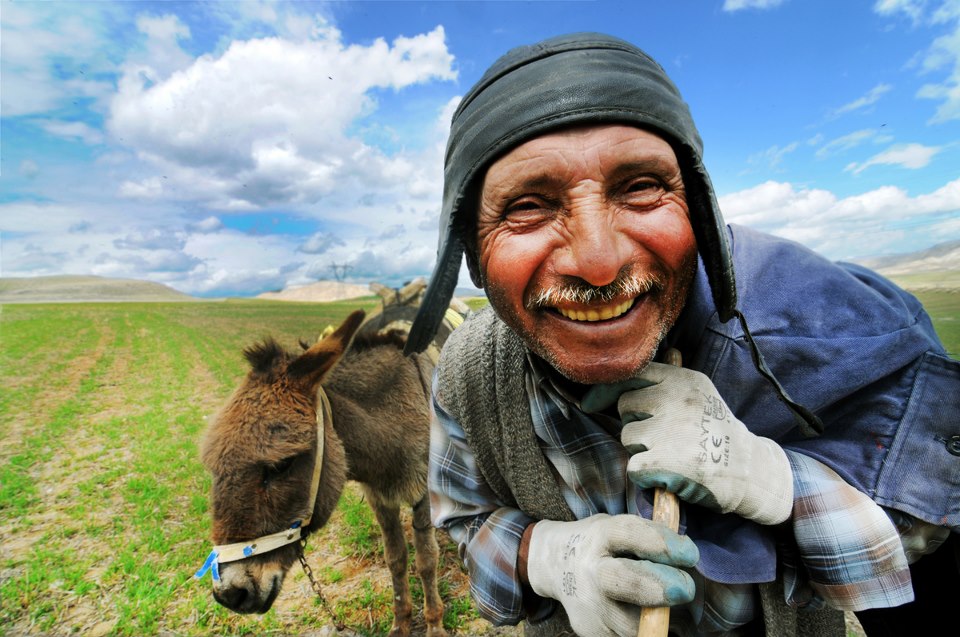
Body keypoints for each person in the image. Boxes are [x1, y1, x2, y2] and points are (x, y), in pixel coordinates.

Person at [404, 32, 959, 637]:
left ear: (697, 209)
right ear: (472, 257)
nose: (598, 263)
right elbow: (464, 518)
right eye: (528, 206)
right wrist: (551, 559)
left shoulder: (831, 326)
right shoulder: (467, 370)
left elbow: (934, 524)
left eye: (640, 187)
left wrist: (772, 479)